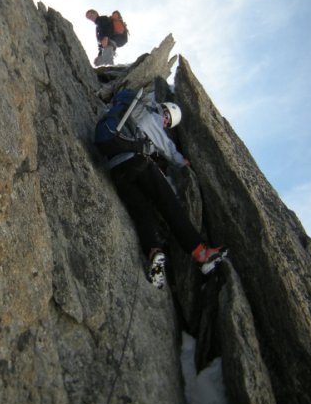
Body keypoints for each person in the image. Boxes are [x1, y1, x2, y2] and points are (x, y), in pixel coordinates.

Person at [97, 89, 229, 289]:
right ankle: (201, 253)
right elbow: (165, 145)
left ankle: (154, 251)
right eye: (168, 120)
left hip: (116, 170)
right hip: (137, 162)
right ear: (165, 112)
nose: (165, 124)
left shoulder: (125, 111)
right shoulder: (150, 113)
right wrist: (180, 162)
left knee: (142, 212)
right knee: (169, 204)